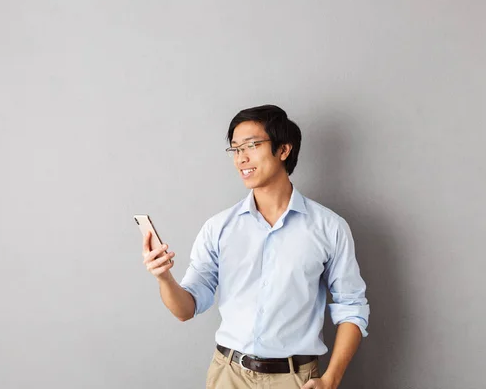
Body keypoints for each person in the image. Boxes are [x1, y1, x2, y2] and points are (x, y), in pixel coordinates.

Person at [142, 104, 370, 389]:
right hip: (228, 375)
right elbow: (185, 309)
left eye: (251, 145)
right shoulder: (219, 228)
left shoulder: (329, 227)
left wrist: (331, 379)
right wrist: (164, 277)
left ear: (283, 150)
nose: (241, 158)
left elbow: (352, 307)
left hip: (296, 379)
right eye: (235, 149)